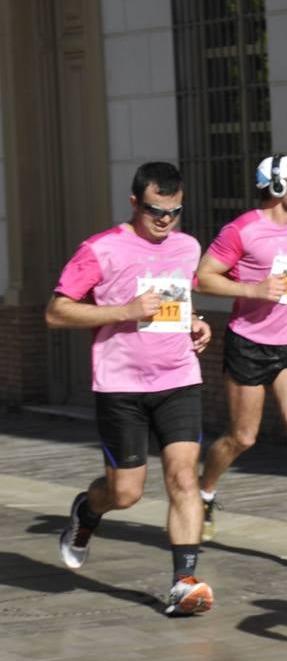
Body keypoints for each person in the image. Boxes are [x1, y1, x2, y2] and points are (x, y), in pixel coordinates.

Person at [48, 162, 215, 616]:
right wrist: (125, 310)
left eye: (174, 212)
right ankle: (88, 511)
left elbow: (176, 298)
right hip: (120, 386)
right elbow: (57, 312)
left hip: (179, 378)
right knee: (125, 493)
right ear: (134, 203)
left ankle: (184, 581)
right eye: (155, 211)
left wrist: (195, 321)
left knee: (184, 477)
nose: (165, 220)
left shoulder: (186, 247)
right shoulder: (100, 249)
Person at [196, 153, 287, 563]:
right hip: (250, 343)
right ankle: (204, 491)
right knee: (242, 437)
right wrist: (254, 290)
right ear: (277, 187)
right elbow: (203, 278)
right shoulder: (241, 230)